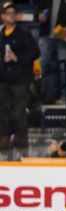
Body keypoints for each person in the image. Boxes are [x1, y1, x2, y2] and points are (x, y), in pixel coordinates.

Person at [0, 1, 39, 152]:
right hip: (3, 80)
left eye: (13, 13)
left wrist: (18, 58)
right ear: (2, 16)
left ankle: (21, 145)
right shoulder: (1, 35)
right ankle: (3, 143)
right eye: (7, 13)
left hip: (20, 80)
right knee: (2, 112)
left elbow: (35, 52)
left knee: (19, 112)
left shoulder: (24, 34)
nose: (11, 16)